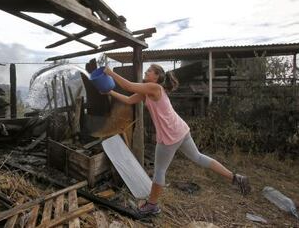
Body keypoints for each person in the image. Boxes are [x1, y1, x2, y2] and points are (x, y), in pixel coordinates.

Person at [103, 64, 250, 216]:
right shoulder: (149, 90)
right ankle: (235, 177)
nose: (146, 72)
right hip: (181, 130)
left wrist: (110, 73)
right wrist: (110, 92)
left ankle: (152, 206)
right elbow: (128, 100)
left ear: (157, 76)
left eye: (149, 71)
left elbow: (128, 86)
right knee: (198, 157)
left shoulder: (154, 88)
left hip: (169, 136)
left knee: (160, 170)